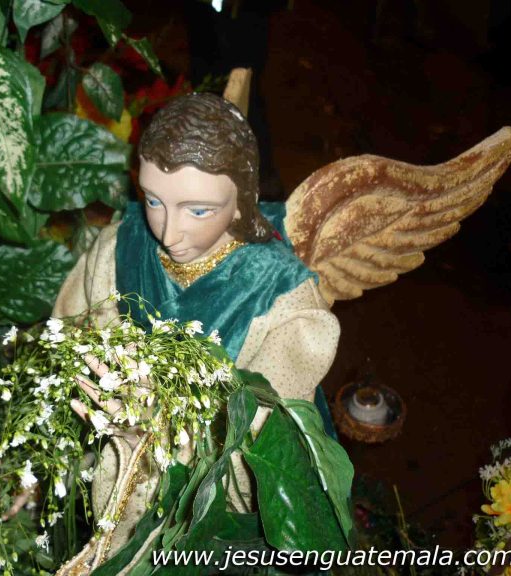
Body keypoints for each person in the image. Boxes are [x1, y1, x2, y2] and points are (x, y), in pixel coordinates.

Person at [53, 92, 340, 555]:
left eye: (198, 210)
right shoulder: (120, 249)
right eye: (153, 200)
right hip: (100, 490)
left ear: (241, 201)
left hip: (197, 533)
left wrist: (163, 436)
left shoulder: (281, 303)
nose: (169, 233)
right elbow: (69, 337)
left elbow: (262, 466)